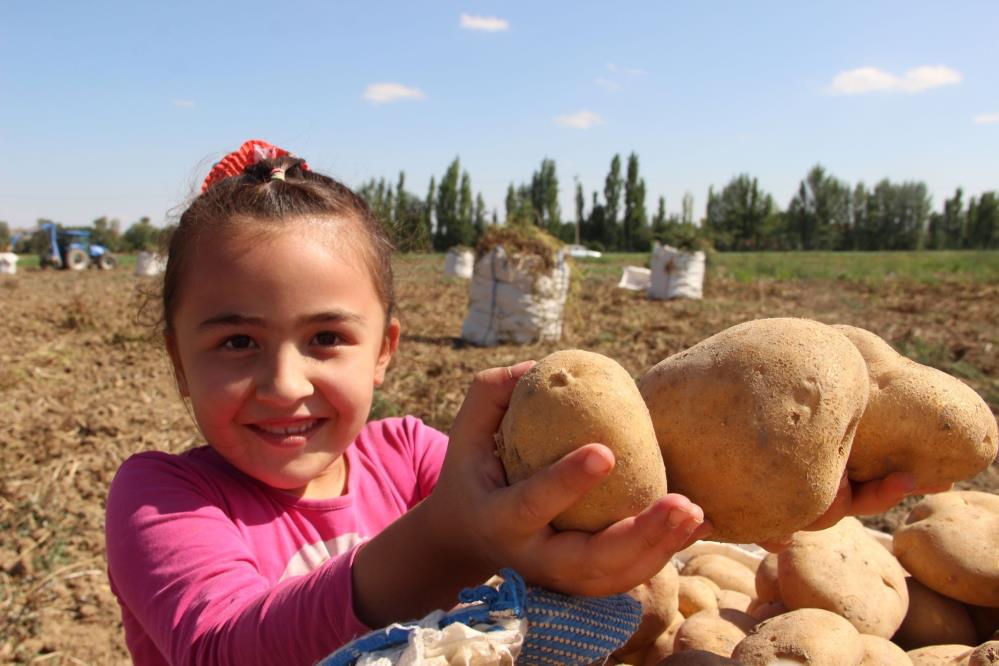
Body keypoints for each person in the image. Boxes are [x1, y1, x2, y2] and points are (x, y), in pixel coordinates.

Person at [104, 140, 713, 665]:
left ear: (383, 350)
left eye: (326, 339)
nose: (285, 384)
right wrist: (447, 539)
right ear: (180, 362)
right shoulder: (160, 497)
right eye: (237, 342)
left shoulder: (412, 455)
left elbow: (530, 532)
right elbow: (223, 649)